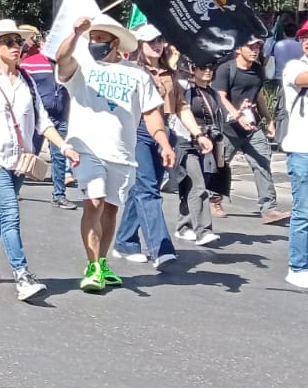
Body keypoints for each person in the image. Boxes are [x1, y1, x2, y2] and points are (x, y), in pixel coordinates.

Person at [0, 19, 77, 302]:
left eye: (19, 42)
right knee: (10, 211)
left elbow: (43, 123)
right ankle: (22, 275)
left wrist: (64, 147)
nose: (17, 47)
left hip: (20, 158)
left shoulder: (27, 81)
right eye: (9, 42)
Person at [53, 14, 176, 293]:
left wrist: (164, 143)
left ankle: (103, 262)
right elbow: (62, 59)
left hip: (121, 152)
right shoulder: (81, 67)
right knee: (93, 201)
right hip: (85, 147)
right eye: (92, 38)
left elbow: (151, 114)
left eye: (100, 38)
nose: (94, 43)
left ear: (115, 42)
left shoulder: (137, 74)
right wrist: (75, 34)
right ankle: (92, 264)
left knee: (110, 208)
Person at [109, 24, 201, 270]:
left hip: (165, 132)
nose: (157, 44)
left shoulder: (169, 74)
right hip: (137, 131)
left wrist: (198, 133)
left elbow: (181, 106)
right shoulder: (131, 71)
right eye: (151, 41)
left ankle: (125, 242)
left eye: (160, 39)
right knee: (148, 190)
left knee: (142, 190)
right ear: (139, 44)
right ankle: (161, 248)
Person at [214, 34, 280, 222]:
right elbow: (221, 97)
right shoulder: (226, 69)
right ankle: (214, 200)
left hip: (251, 126)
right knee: (220, 165)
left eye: (258, 47)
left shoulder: (258, 71)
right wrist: (237, 116)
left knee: (262, 162)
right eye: (251, 47)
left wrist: (269, 120)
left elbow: (258, 96)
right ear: (238, 49)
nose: (255, 50)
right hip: (228, 127)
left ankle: (269, 208)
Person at [21, 29, 76, 208]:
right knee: (30, 153)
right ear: (43, 43)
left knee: (60, 156)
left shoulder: (68, 64)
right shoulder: (30, 63)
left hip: (60, 117)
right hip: (38, 118)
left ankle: (59, 195)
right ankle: (13, 188)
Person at [177, 56, 228, 246]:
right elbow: (178, 112)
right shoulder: (185, 89)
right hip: (186, 143)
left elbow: (221, 118)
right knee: (198, 186)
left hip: (206, 145)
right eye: (202, 66)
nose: (207, 70)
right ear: (192, 68)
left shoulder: (213, 93)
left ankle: (184, 226)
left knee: (193, 186)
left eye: (211, 66)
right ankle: (203, 231)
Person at [276, 18, 308, 288]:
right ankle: (297, 267)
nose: (307, 41)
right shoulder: (294, 66)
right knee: (304, 212)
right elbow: (302, 80)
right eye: (304, 37)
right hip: (302, 150)